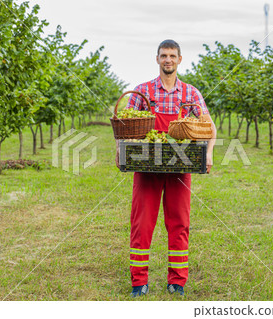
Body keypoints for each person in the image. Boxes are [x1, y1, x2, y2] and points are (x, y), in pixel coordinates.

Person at [115, 39, 216, 297]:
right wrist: (120, 150)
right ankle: (139, 281)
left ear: (180, 59)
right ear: (157, 59)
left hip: (180, 167)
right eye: (163, 55)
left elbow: (209, 127)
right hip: (147, 166)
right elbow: (124, 125)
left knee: (179, 222)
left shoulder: (191, 94)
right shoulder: (143, 91)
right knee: (142, 223)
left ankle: (177, 281)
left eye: (172, 55)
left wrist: (209, 153)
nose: (168, 59)